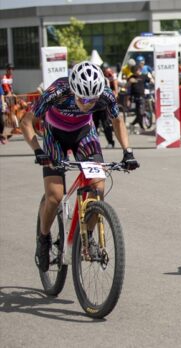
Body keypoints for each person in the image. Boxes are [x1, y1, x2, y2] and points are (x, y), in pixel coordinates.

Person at [20, 61, 139, 272]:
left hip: (84, 133)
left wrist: (128, 152)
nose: (88, 104)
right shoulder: (57, 91)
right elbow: (26, 122)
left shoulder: (105, 94)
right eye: (83, 99)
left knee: (97, 189)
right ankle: (44, 238)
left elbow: (117, 121)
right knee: (55, 196)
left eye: (92, 100)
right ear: (73, 90)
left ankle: (88, 238)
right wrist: (38, 151)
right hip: (54, 135)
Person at [95, 63, 117, 148]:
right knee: (93, 126)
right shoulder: (97, 77)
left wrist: (115, 94)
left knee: (106, 124)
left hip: (104, 105)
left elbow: (114, 85)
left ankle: (111, 142)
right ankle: (94, 143)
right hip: (95, 105)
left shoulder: (108, 77)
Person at [126, 65, 153, 133]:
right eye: (134, 72)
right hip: (134, 98)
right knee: (138, 113)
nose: (136, 73)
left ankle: (135, 125)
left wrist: (152, 78)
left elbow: (150, 81)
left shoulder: (143, 76)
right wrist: (129, 82)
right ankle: (138, 126)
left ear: (139, 70)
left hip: (142, 97)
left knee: (140, 112)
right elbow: (126, 86)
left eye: (137, 71)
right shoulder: (131, 77)